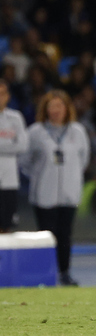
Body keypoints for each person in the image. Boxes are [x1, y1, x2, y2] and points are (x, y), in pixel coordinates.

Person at [20, 90, 90, 286]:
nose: (56, 110)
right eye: (52, 106)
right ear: (45, 109)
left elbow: (83, 159)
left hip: (69, 192)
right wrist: (38, 176)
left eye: (60, 106)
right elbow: (25, 161)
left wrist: (72, 176)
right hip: (44, 191)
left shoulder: (77, 131)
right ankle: (46, 273)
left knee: (65, 233)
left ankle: (65, 272)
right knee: (46, 234)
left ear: (67, 109)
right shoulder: (35, 132)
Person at [0, 80, 29, 233]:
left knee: (7, 225)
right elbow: (15, 145)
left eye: (2, 94)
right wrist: (9, 145)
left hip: (9, 180)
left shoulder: (15, 118)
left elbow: (22, 145)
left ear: (8, 96)